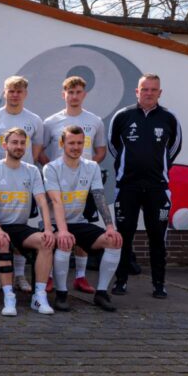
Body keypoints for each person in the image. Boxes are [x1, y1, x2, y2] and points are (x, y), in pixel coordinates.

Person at [109, 74, 182, 299]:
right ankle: (121, 281)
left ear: (160, 93)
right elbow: (114, 146)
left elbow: (174, 147)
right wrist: (130, 166)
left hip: (157, 187)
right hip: (127, 186)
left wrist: (158, 166)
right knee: (124, 236)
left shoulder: (169, 118)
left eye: (153, 89)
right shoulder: (122, 116)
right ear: (137, 91)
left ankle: (159, 284)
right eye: (144, 89)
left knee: (157, 237)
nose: (148, 93)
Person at [39, 76, 108, 294]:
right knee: (55, 228)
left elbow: (101, 150)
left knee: (81, 226)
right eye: (71, 92)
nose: (74, 96)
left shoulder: (95, 121)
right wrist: (52, 169)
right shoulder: (50, 122)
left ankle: (80, 276)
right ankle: (49, 277)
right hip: (57, 181)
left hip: (83, 185)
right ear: (64, 95)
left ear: (84, 94)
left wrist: (86, 169)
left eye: (78, 92)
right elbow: (40, 150)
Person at [44, 126, 123, 312]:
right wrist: (63, 231)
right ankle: (61, 294)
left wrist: (110, 227)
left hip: (79, 222)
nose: (76, 147)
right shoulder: (51, 168)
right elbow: (56, 201)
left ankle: (101, 293)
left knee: (114, 241)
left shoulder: (92, 167)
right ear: (62, 143)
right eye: (71, 143)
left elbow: (99, 196)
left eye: (80, 143)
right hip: (56, 224)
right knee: (64, 242)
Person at [0, 128, 56, 316]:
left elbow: (42, 202)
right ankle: (9, 297)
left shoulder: (32, 170)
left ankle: (39, 296)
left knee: (46, 242)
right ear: (5, 145)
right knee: (3, 242)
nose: (19, 146)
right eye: (14, 142)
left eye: (22, 143)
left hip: (20, 227)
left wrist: (47, 228)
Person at [0, 75, 45, 292]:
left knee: (20, 227)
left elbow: (36, 151)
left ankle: (19, 275)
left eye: (19, 91)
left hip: (24, 182)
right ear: (4, 92)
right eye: (11, 91)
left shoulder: (35, 120)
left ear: (25, 94)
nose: (15, 95)